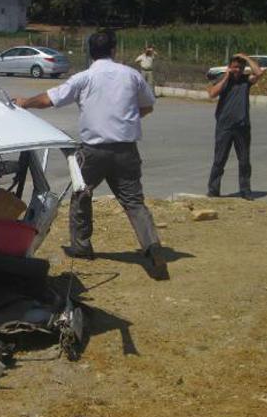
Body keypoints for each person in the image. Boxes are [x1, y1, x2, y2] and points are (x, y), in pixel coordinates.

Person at [13, 30, 167, 277]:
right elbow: (147, 105)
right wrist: (125, 119)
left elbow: (49, 99)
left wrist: (24, 103)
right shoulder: (131, 75)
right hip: (126, 150)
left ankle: (81, 246)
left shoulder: (83, 78)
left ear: (90, 52)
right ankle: (152, 246)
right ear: (114, 50)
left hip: (93, 151)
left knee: (82, 195)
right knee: (133, 202)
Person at [206, 53, 265, 200]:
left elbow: (259, 73)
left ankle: (245, 191)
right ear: (229, 67)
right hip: (224, 126)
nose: (236, 70)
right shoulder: (223, 79)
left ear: (243, 68)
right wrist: (226, 76)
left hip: (242, 126)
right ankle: (213, 190)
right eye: (234, 67)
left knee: (244, 160)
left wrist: (246, 57)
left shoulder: (246, 81)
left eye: (239, 67)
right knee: (219, 160)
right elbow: (212, 94)